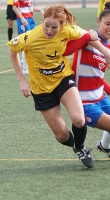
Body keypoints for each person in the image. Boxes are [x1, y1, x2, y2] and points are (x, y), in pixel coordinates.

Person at [7, 4, 110, 168]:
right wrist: (21, 80)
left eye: (54, 27)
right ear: (42, 21)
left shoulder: (68, 31)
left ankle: (80, 147)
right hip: (41, 89)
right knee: (62, 134)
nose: (48, 30)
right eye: (46, 25)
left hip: (63, 79)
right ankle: (77, 146)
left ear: (62, 26)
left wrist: (105, 52)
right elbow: (12, 51)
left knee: (78, 118)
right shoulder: (31, 37)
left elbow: (89, 35)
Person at [67, 2, 110, 158]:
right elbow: (70, 47)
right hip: (83, 103)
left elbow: (98, 76)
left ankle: (105, 146)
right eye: (107, 24)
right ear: (98, 21)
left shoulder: (109, 45)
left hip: (100, 97)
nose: (109, 28)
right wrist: (105, 52)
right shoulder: (88, 37)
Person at [12, 0, 44, 75]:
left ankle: (24, 62)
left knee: (33, 40)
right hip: (23, 19)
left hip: (30, 19)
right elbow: (14, 7)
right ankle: (25, 68)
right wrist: (22, 18)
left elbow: (29, 7)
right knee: (26, 43)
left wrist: (40, 10)